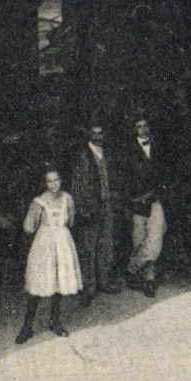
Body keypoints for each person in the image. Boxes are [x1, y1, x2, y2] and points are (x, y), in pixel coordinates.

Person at [15, 166, 82, 342]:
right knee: (39, 284)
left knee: (59, 282)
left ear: (61, 180)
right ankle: (27, 327)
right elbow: (28, 227)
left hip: (63, 243)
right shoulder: (39, 202)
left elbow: (71, 221)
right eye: (49, 181)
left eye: (56, 180)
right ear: (45, 183)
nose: (54, 184)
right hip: (44, 245)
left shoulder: (67, 199)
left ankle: (55, 321)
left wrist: (60, 232)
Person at [70, 116, 121, 305]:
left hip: (107, 206)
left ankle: (104, 282)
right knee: (88, 249)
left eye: (101, 133)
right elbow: (78, 186)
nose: (98, 137)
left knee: (105, 245)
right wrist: (82, 208)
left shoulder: (107, 154)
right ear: (89, 135)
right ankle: (88, 287)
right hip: (90, 208)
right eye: (95, 133)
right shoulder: (83, 157)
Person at [124, 113, 166, 299]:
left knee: (155, 240)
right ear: (135, 129)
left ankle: (131, 269)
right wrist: (132, 199)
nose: (143, 129)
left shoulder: (158, 146)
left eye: (146, 125)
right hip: (137, 202)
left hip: (155, 200)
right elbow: (124, 178)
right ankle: (148, 279)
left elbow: (165, 172)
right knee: (139, 239)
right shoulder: (128, 151)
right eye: (139, 126)